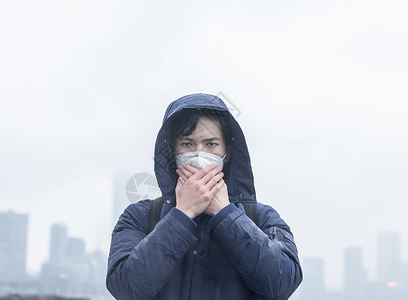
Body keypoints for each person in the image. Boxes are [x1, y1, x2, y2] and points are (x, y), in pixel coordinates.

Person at [106, 93, 302, 300]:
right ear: (172, 152)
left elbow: (282, 284)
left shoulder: (261, 217)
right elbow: (125, 288)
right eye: (187, 144)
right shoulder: (140, 216)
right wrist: (182, 214)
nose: (199, 155)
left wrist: (225, 214)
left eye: (211, 144)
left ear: (227, 153)